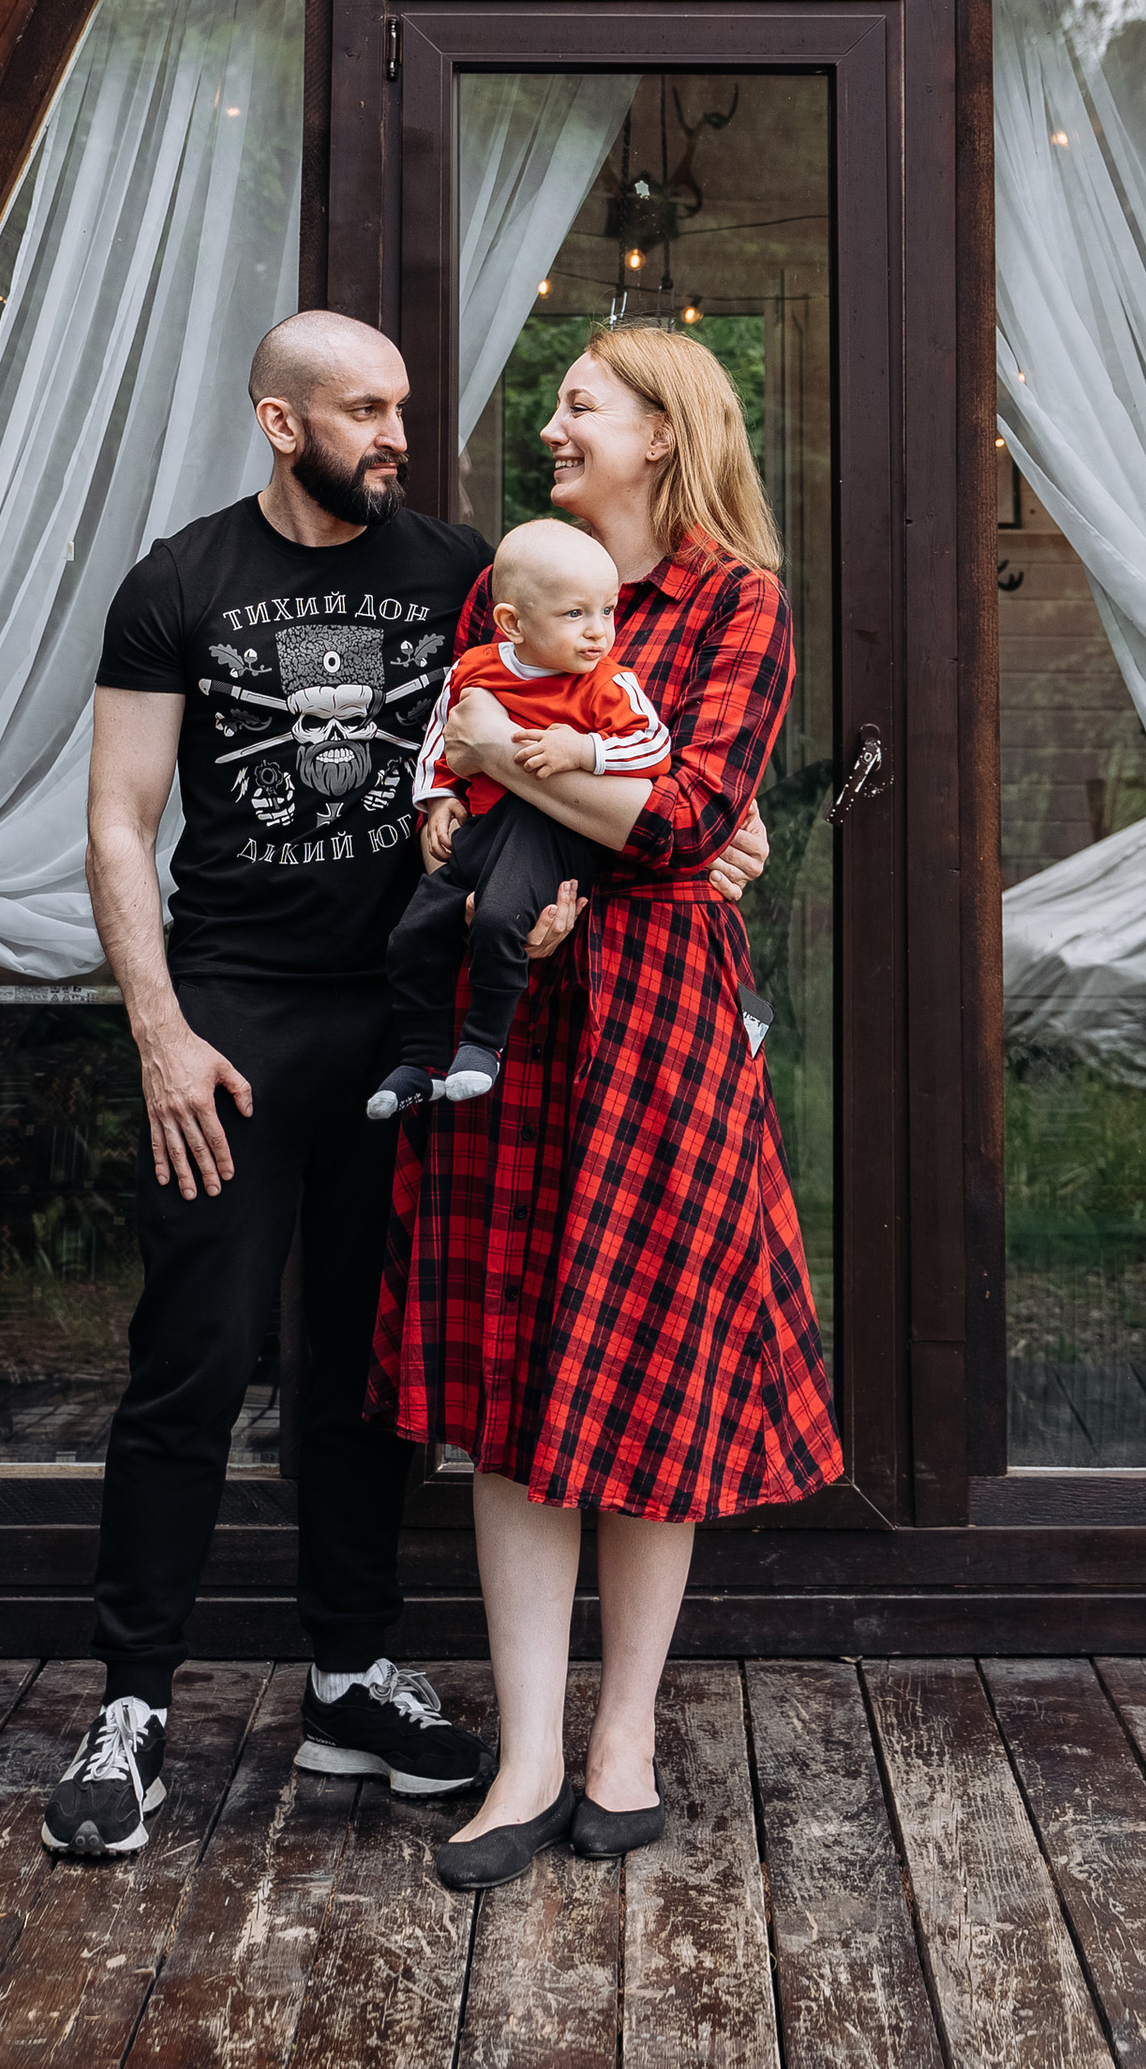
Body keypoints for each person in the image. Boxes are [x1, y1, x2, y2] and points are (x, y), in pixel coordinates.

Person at [371, 324, 842, 1893]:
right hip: (503, 1022)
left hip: (658, 1027)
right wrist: (473, 790)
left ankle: (624, 1735)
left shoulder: (736, 602)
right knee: (512, 1373)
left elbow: (694, 813)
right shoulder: (516, 575)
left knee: (652, 1364)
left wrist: (520, 761)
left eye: (583, 404)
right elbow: (445, 787)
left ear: (664, 431)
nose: (553, 424)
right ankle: (522, 1755)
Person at [40, 310, 496, 1858]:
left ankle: (354, 1676)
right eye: (365, 409)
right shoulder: (182, 583)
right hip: (232, 1024)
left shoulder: (457, 572)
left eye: (402, 407)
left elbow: (549, 748)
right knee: (193, 1355)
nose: (396, 434)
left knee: (369, 1368)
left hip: (400, 1026)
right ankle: (135, 1705)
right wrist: (161, 1034)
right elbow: (119, 820)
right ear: (279, 423)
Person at [370, 515, 672, 1119]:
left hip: (545, 835)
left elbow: (653, 746)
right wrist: (438, 797)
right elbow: (442, 733)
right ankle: (423, 1062)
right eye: (575, 615)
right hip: (480, 827)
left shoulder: (606, 685)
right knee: (413, 935)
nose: (599, 633)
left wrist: (583, 750)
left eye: (608, 612)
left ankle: (482, 1047)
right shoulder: (478, 667)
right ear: (512, 622)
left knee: (500, 919)